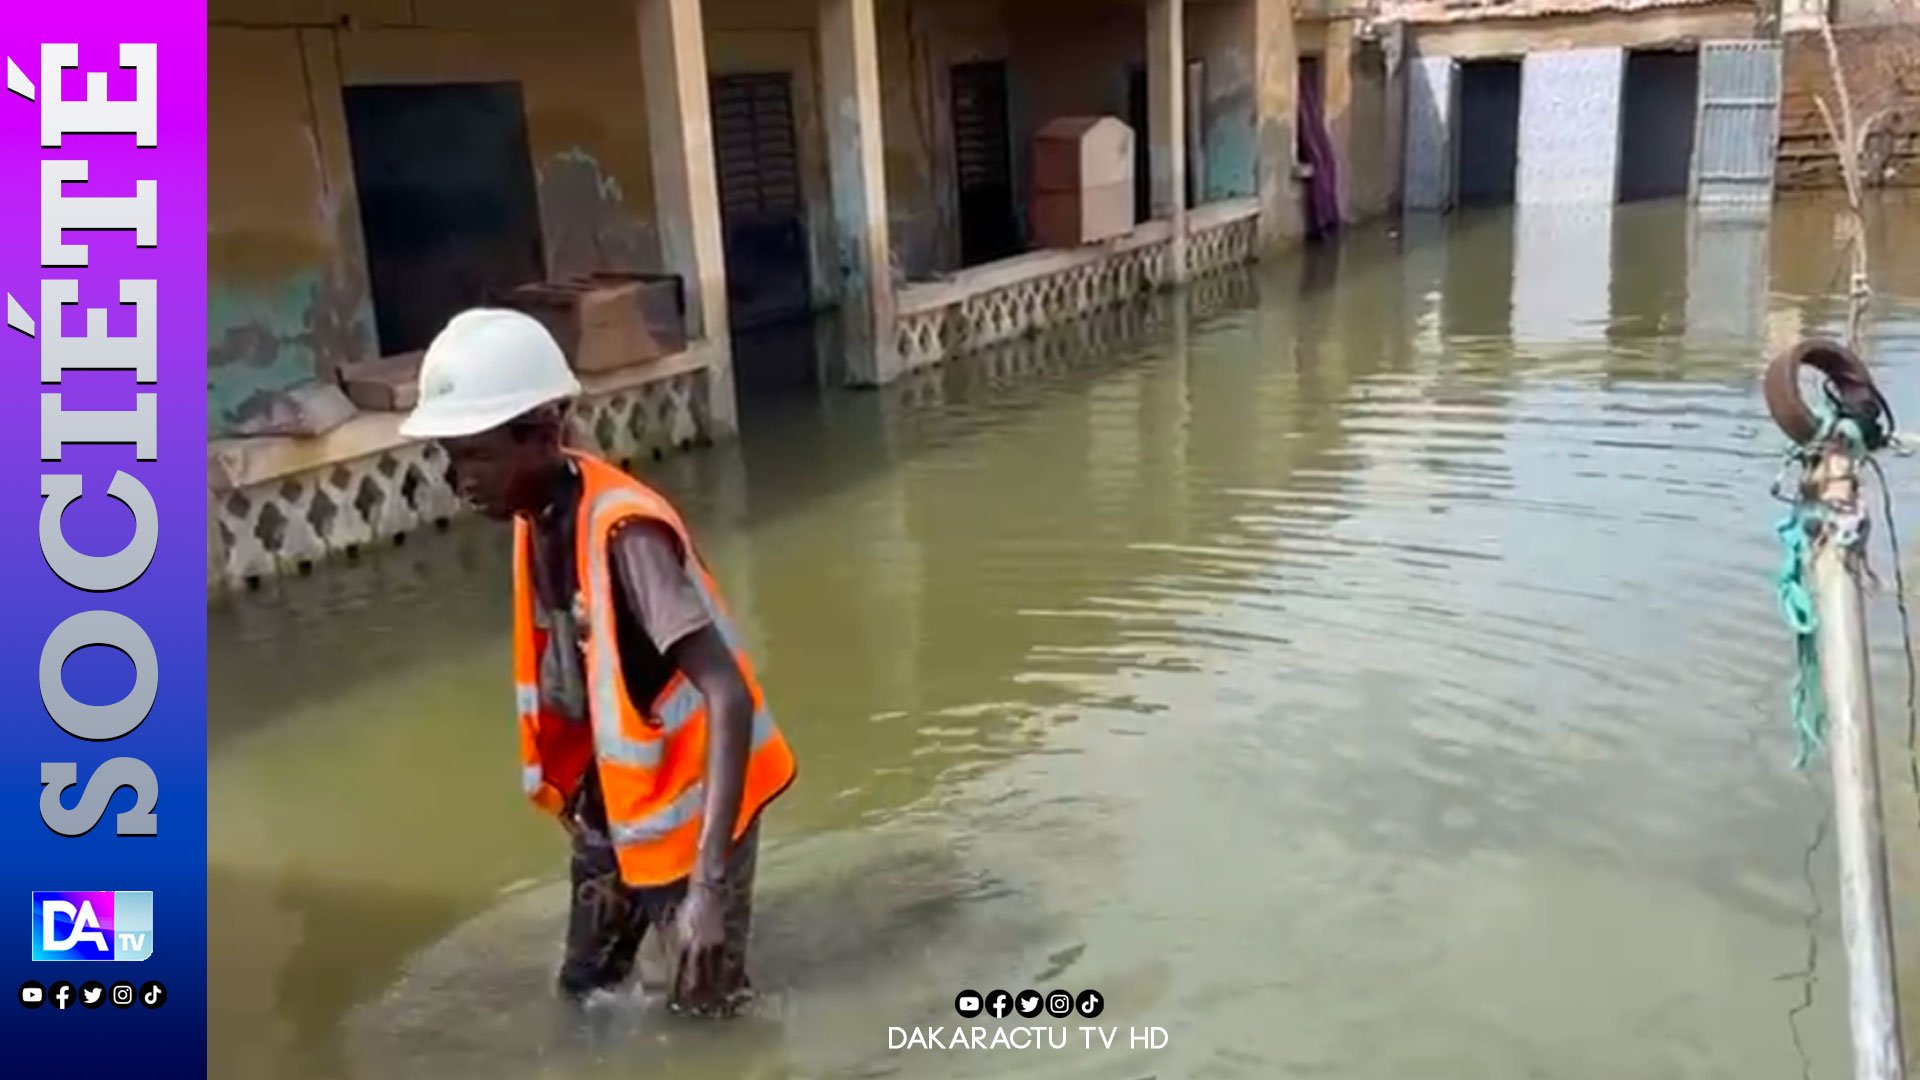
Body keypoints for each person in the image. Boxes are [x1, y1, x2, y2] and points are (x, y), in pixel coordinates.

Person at [399, 308, 798, 1016]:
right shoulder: (540, 518)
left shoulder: (625, 537)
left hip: (697, 813)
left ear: (544, 436)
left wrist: (708, 889)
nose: (457, 479)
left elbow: (727, 695)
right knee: (587, 994)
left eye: (477, 456)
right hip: (614, 809)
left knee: (708, 1012)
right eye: (451, 457)